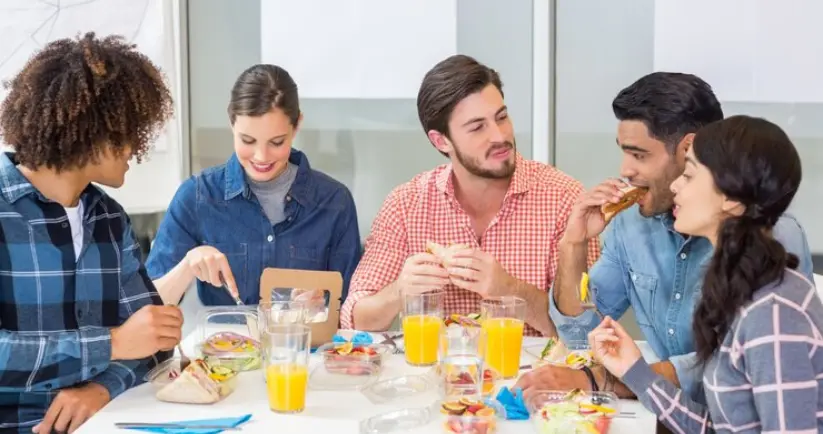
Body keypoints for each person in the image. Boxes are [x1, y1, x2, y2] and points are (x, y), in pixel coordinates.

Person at [516, 72, 814, 400]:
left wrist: (597, 380)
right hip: (669, 411)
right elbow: (578, 333)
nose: (625, 170)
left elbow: (725, 369)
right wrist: (573, 243)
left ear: (689, 149)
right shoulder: (630, 222)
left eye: (639, 155)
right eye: (624, 153)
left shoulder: (773, 235)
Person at [589, 115, 822, 433]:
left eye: (688, 175)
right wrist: (634, 370)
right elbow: (720, 428)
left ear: (731, 199)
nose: (674, 186)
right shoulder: (742, 286)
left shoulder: (774, 313)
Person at [340, 55, 600, 336]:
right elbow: (355, 320)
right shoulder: (406, 204)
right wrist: (399, 291)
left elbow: (585, 333)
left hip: (533, 377)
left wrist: (508, 289)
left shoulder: (564, 198)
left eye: (501, 117)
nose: (499, 136)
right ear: (441, 141)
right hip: (435, 375)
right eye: (477, 127)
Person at [0, 33, 182, 433]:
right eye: (129, 127)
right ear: (92, 127)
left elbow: (156, 339)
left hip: (107, 421)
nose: (138, 145)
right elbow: (129, 339)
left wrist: (102, 386)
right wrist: (111, 344)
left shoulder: (109, 219)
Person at [146, 64, 361, 307]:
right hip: (225, 344)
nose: (261, 156)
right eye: (247, 140)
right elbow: (149, 306)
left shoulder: (334, 202)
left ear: (297, 125)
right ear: (231, 124)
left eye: (276, 142)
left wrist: (324, 302)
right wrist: (187, 265)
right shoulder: (197, 196)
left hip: (303, 344)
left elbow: (353, 308)